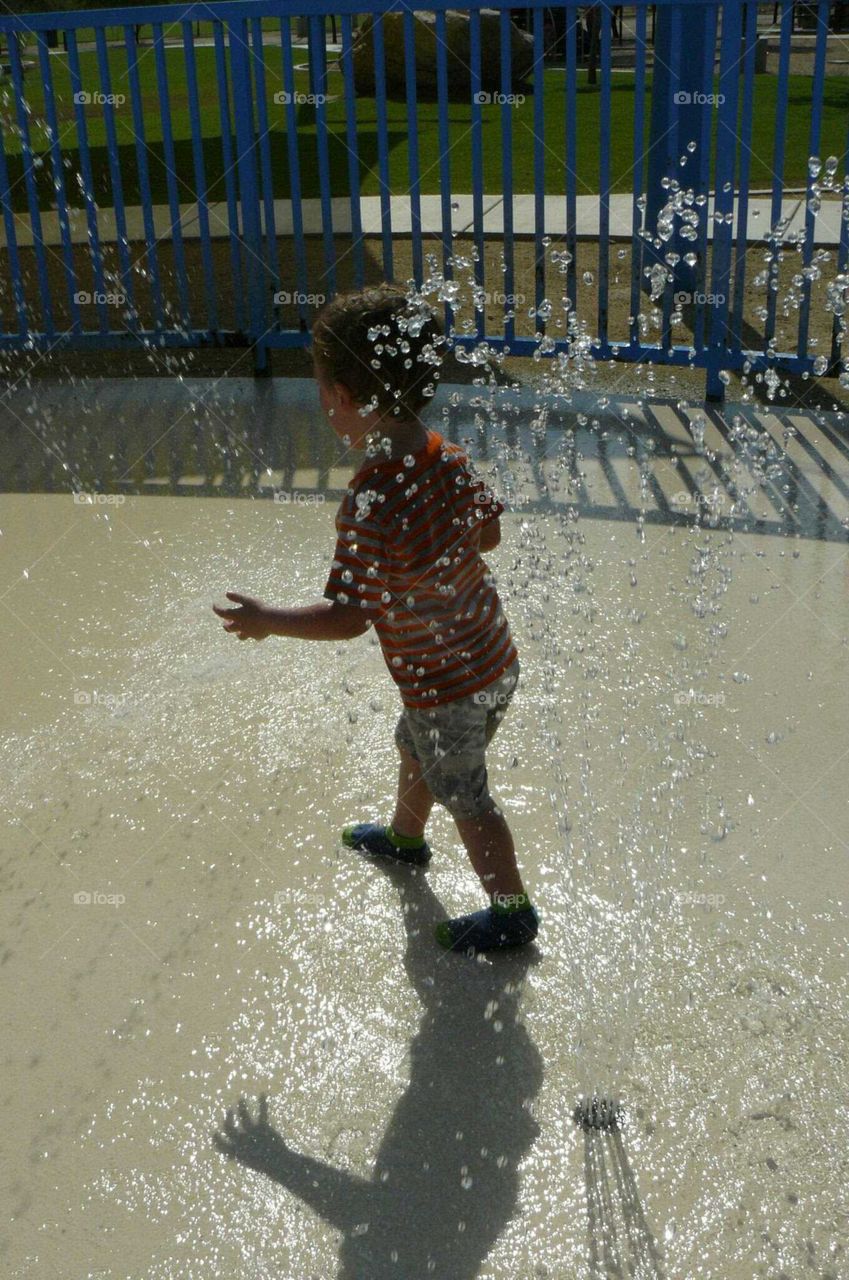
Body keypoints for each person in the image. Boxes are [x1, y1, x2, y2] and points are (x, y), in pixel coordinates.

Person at [212, 282, 539, 954]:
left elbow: (347, 618)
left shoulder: (370, 501)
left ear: (338, 398)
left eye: (321, 387)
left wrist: (269, 618)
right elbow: (488, 539)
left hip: (447, 685)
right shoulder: (444, 455)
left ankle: (511, 911)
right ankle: (404, 839)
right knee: (411, 744)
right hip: (492, 660)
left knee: (469, 798)